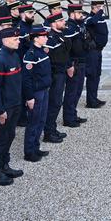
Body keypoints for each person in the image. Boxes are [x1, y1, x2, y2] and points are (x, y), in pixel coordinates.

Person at [0, 27, 24, 186]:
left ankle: (4, 165)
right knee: (1, 138)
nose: (19, 41)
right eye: (15, 39)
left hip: (15, 104)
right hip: (5, 107)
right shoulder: (0, 60)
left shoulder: (14, 56)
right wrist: (0, 110)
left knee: (10, 135)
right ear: (5, 40)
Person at [22, 26, 51, 163]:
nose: (46, 38)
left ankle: (35, 147)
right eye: (43, 36)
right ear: (36, 38)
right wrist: (29, 97)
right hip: (36, 92)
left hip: (44, 90)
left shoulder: (41, 51)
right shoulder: (31, 55)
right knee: (33, 122)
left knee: (41, 120)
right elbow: (26, 79)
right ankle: (29, 151)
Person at [43, 12, 71, 144]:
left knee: (57, 103)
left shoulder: (61, 35)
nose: (64, 22)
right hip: (54, 75)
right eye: (61, 21)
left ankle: (52, 129)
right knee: (53, 103)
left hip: (61, 73)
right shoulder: (50, 39)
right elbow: (47, 59)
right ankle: (48, 133)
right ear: (53, 24)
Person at [62, 4, 88, 129]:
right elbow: (66, 50)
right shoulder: (69, 28)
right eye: (79, 13)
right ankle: (68, 118)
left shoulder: (78, 26)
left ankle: (73, 114)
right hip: (74, 63)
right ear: (72, 14)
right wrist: (69, 65)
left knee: (77, 91)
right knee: (71, 92)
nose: (81, 15)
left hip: (81, 61)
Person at [84, 1, 108, 109]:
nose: (101, 9)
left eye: (102, 7)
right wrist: (100, 11)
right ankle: (91, 101)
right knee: (92, 75)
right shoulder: (89, 18)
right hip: (92, 51)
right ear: (93, 7)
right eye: (99, 7)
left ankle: (94, 98)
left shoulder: (100, 18)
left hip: (98, 51)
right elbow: (92, 22)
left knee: (97, 75)